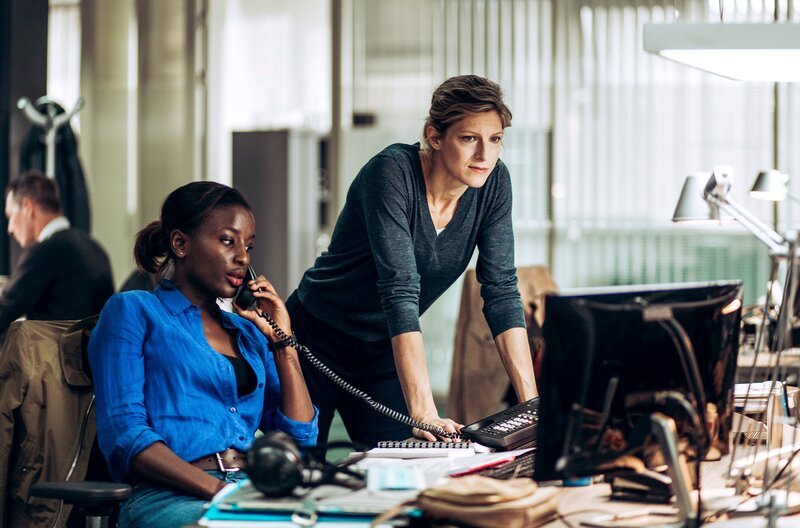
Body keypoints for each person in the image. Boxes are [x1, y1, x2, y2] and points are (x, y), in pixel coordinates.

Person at [286, 75, 537, 447]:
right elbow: (400, 289)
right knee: (297, 468)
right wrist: (423, 410)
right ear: (434, 136)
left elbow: (501, 290)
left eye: (495, 139)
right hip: (316, 337)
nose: (485, 155)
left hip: (385, 348)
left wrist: (533, 409)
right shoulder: (391, 173)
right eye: (469, 138)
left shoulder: (494, 183)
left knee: (403, 466)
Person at [88, 181, 318, 528]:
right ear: (180, 244)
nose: (243, 258)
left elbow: (300, 439)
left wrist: (282, 343)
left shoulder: (246, 332)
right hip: (170, 497)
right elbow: (125, 437)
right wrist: (221, 492)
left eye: (248, 246)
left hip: (251, 491)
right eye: (227, 241)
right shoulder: (134, 311)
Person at [0, 170, 113, 336]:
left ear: (28, 207)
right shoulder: (95, 248)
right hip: (93, 351)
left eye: (10, 216)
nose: (10, 229)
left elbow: (4, 311)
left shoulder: (43, 253)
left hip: (54, 352)